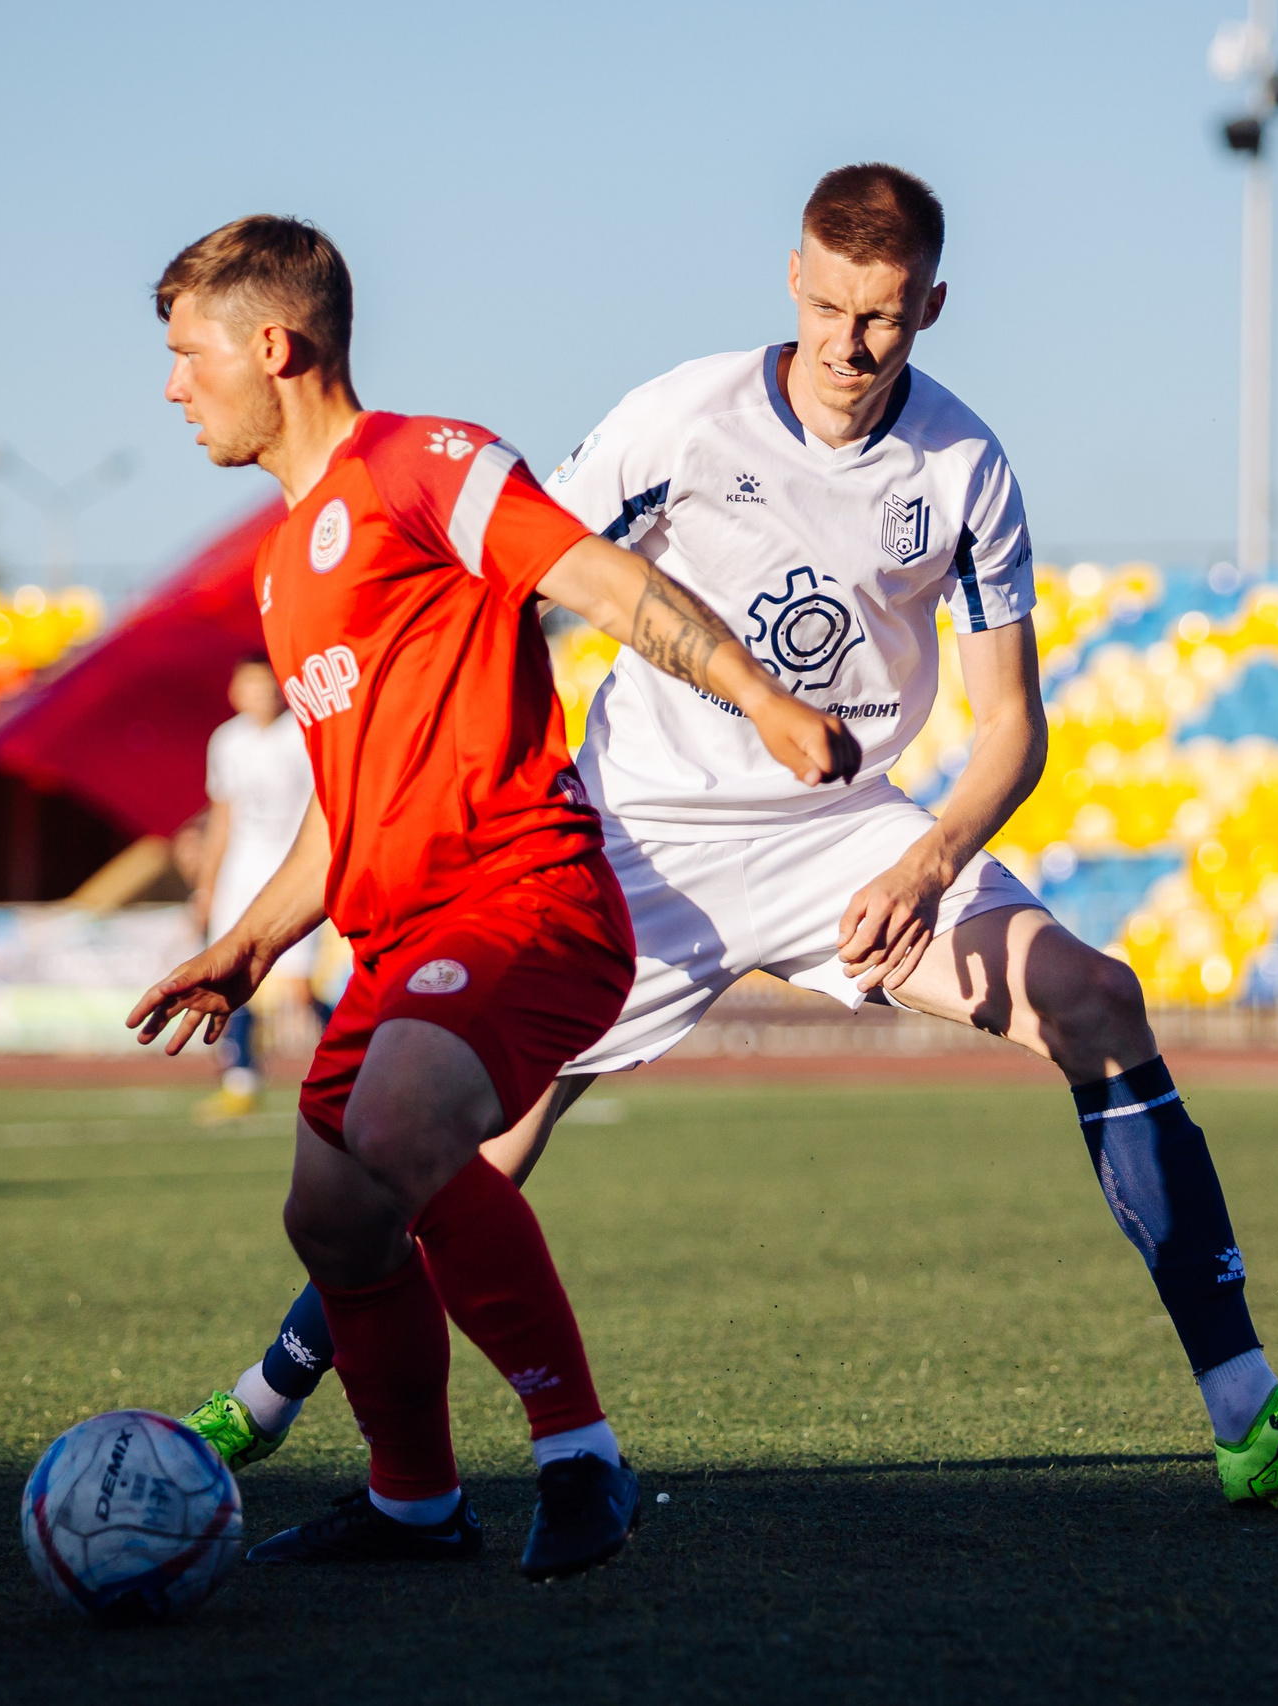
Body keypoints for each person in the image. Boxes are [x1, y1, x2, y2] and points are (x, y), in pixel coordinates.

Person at [181, 164, 1278, 1512]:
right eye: (830, 304)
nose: (850, 342)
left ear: (933, 306)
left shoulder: (964, 465)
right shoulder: (677, 420)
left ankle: (1248, 1414)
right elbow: (517, 597)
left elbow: (1012, 727)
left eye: (884, 317)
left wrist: (928, 858)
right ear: (793, 277)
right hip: (633, 839)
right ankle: (269, 1394)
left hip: (844, 838)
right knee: (454, 1145)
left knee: (1095, 997)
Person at [132, 214, 858, 1577]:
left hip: (529, 899)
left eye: (187, 354)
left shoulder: (422, 463)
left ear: (272, 346)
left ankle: (581, 1455)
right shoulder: (286, 567)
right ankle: (415, 1504)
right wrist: (241, 946)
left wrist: (762, 697)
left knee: (403, 1128)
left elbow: (603, 578)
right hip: (400, 940)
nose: (173, 385)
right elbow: (344, 815)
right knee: (331, 1216)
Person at [189, 656, 318, 1123]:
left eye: (266, 685)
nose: (259, 693)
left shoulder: (303, 733)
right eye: (249, 685)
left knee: (299, 990)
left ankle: (361, 1069)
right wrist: (208, 886)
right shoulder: (226, 740)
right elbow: (223, 816)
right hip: (240, 873)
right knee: (228, 975)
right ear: (234, 692)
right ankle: (240, 1080)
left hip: (296, 869)